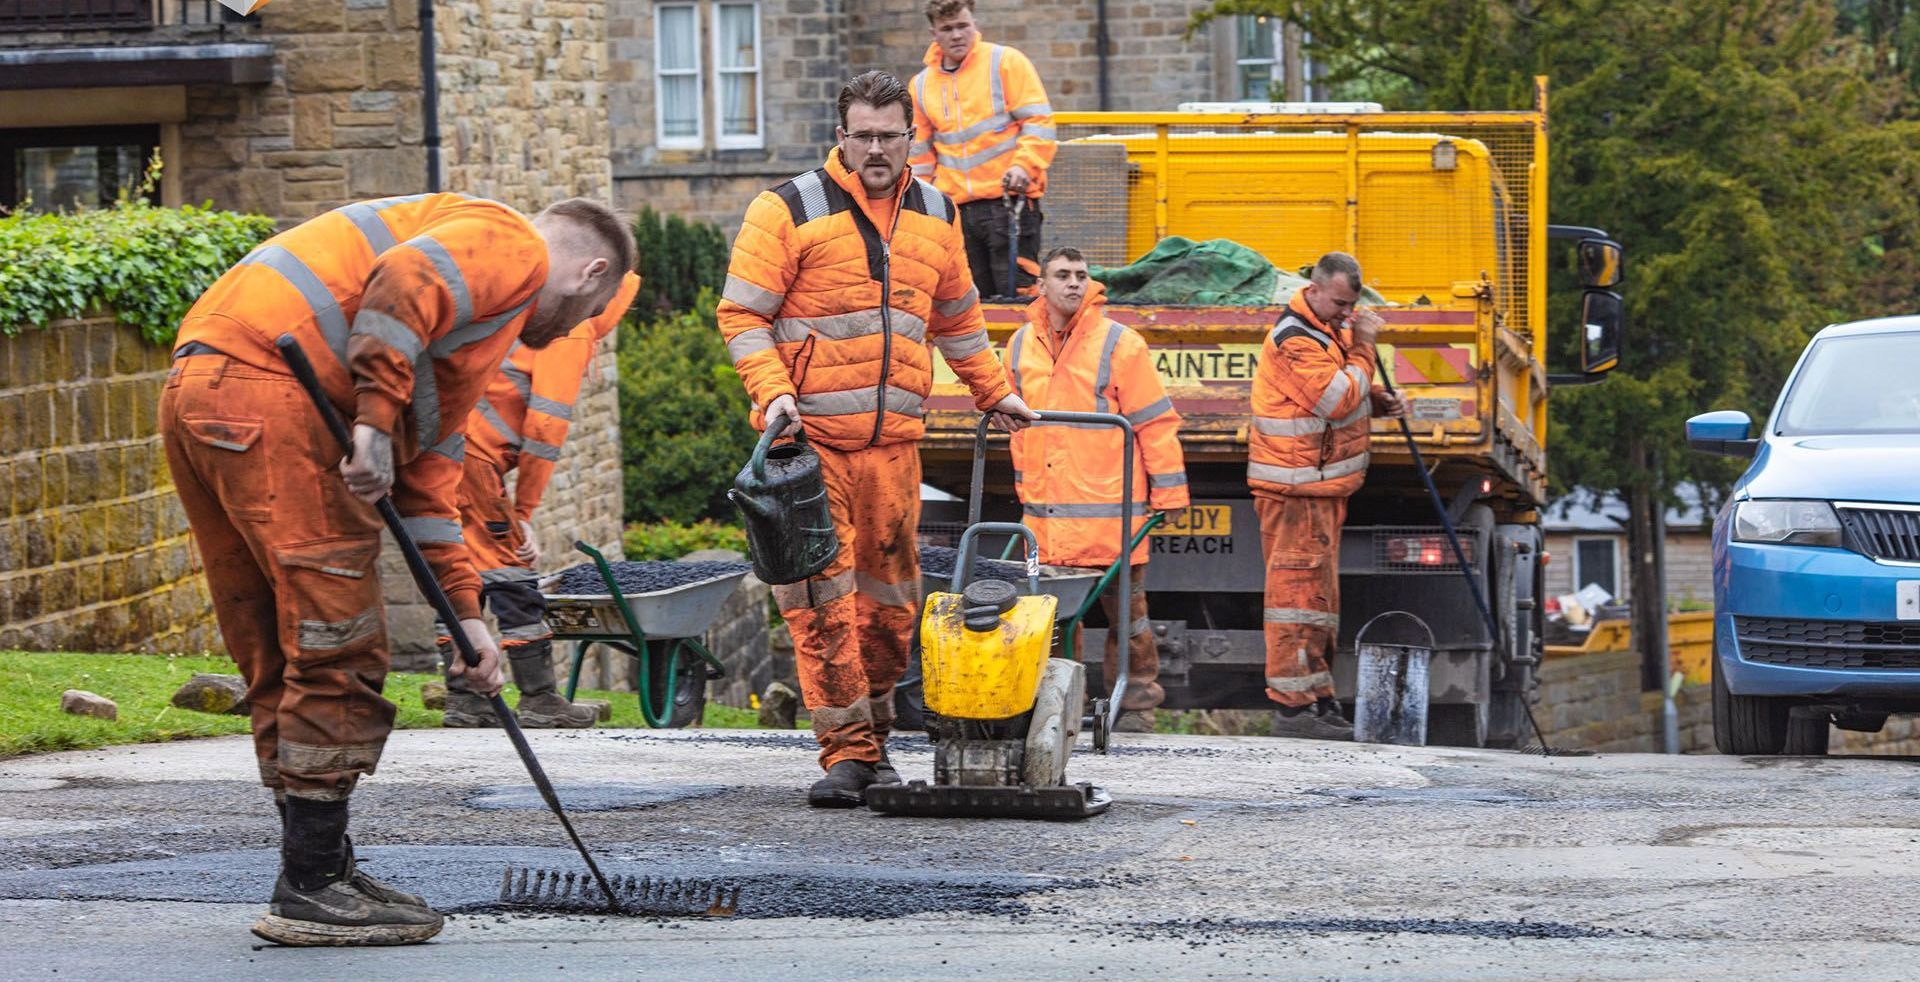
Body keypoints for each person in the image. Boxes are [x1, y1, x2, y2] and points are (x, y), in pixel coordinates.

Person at [161, 193, 633, 945]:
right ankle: (310, 887)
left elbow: (430, 493)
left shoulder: (464, 335)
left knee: (281, 647)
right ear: (590, 272)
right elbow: (404, 277)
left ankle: (321, 864)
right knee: (336, 638)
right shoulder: (514, 246)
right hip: (278, 392)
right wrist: (373, 424)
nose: (573, 332)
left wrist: (469, 620)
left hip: (207, 386)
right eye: (588, 314)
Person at [718, 70, 1036, 808]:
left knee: (891, 609)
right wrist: (775, 394)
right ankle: (847, 753)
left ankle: (879, 741)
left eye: (889, 135)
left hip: (893, 448)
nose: (875, 149)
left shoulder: (936, 211)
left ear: (910, 138)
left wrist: (996, 392)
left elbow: (958, 319)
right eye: (861, 135)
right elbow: (742, 317)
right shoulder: (787, 209)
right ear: (840, 137)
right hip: (810, 448)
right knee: (822, 604)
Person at [439, 270, 642, 730]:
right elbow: (545, 430)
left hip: (450, 449)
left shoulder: (531, 311)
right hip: (471, 457)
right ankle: (538, 699)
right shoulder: (571, 330)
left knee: (458, 566)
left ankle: (465, 700)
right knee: (510, 568)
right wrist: (524, 513)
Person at [1004, 247, 1188, 733]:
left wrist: (1170, 494)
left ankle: (1137, 705)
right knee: (1056, 620)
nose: (1074, 284)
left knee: (1129, 619)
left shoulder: (1119, 344)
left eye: (1081, 275)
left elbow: (1155, 422)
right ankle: (1062, 704)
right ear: (1040, 285)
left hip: (1112, 519)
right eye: (1062, 275)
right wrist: (1025, 491)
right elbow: (1017, 431)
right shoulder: (1020, 345)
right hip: (1047, 520)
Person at [1247, 252, 1407, 741]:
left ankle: (1316, 699)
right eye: (1339, 302)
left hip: (1319, 489)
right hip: (1295, 490)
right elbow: (1334, 398)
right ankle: (1293, 709)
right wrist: (1364, 348)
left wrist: (1375, 399)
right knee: (1295, 599)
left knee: (1315, 601)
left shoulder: (1325, 331)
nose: (1346, 312)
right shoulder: (1295, 336)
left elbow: (1339, 398)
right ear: (1314, 290)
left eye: (1350, 305)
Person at [909, 0, 1056, 300]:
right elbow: (920, 155)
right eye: (947, 29)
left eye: (963, 26)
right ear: (933, 33)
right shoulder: (921, 86)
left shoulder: (1005, 62)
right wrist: (926, 205)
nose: (957, 35)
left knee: (1019, 297)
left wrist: (1023, 167)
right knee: (970, 303)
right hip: (957, 213)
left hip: (1008, 205)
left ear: (975, 24)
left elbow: (1038, 122)